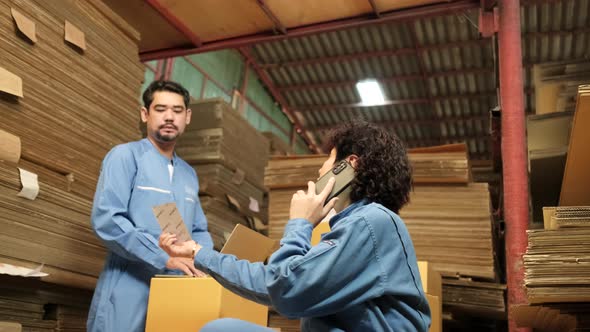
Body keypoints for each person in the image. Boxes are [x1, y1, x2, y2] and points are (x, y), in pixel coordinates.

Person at [161, 121, 431, 331]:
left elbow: (285, 288)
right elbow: (272, 283)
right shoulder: (357, 225)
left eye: (327, 160)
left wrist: (300, 224)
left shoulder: (371, 222)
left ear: (348, 166)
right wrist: (198, 252)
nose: (319, 171)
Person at [87, 80, 213, 332]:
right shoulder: (125, 157)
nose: (169, 117)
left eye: (177, 111)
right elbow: (107, 219)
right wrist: (162, 257)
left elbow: (198, 229)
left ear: (187, 117)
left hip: (176, 287)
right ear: (145, 114)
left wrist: (204, 260)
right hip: (129, 284)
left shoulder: (188, 174)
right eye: (161, 109)